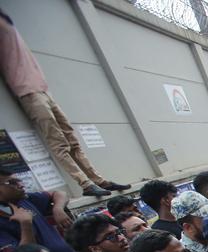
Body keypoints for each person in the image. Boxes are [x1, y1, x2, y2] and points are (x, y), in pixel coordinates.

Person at [0, 11, 127, 198]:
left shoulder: (8, 23)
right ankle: (85, 183)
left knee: (72, 140)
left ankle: (99, 180)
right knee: (58, 143)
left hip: (43, 90)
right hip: (28, 92)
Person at [0, 170, 79, 252]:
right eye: (12, 183)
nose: (21, 185)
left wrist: (58, 209)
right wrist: (26, 224)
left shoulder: (24, 199)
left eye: (19, 180)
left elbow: (59, 193)